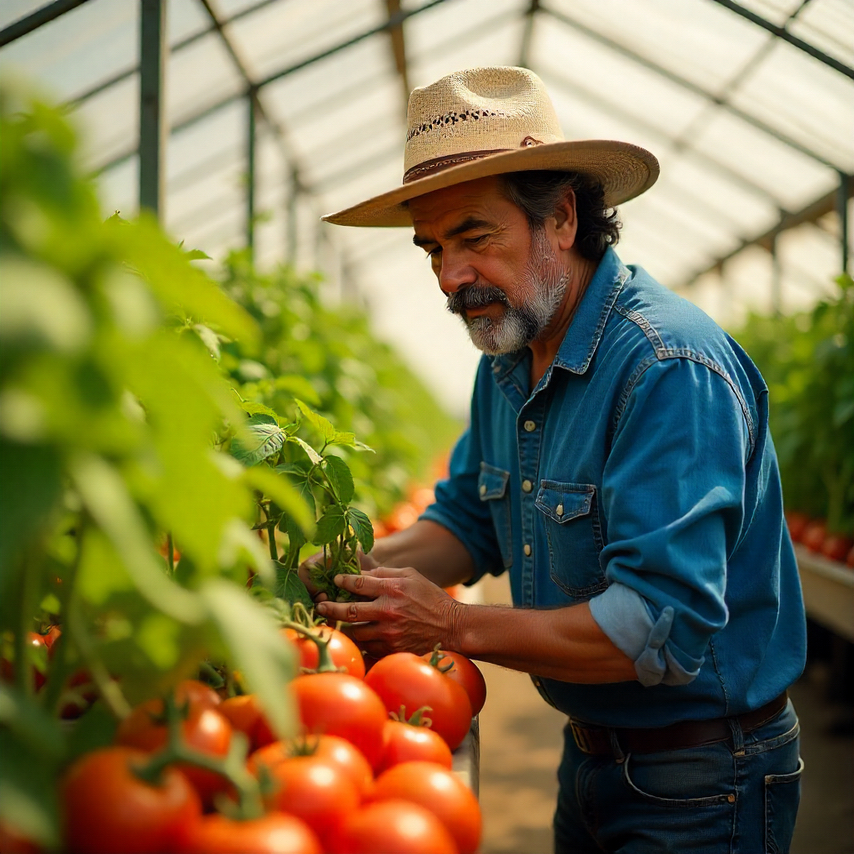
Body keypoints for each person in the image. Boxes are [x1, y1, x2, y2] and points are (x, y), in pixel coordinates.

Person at [309, 66, 807, 853]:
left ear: (564, 218)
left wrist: (449, 623)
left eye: (475, 237)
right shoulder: (506, 363)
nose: (449, 276)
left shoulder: (665, 365)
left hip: (707, 777)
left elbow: (658, 627)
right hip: (592, 756)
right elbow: (471, 521)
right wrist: (341, 576)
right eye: (433, 248)